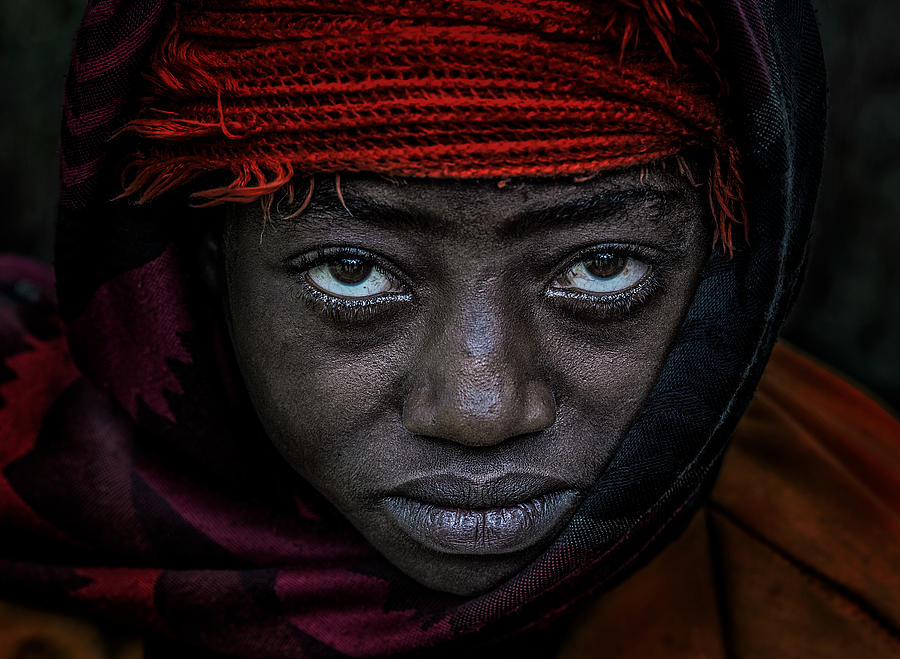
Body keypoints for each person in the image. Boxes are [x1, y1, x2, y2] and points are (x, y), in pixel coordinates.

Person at [0, 0, 898, 657]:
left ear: (727, 277)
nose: (480, 408)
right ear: (197, 266)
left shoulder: (857, 563)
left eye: (602, 266)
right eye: (351, 270)